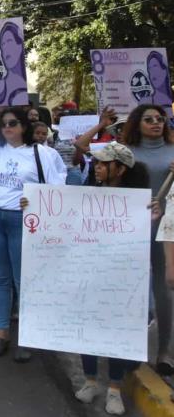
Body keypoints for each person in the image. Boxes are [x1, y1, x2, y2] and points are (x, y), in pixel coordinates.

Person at [0, 103, 65, 360]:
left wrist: (36, 200)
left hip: (24, 221)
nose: (7, 128)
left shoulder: (43, 154)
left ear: (24, 126)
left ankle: (26, 339)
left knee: (23, 281)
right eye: (3, 124)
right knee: (0, 278)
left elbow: (57, 187)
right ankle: (2, 334)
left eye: (13, 123)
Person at [76, 104, 174, 374]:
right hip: (128, 229)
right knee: (132, 291)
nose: (156, 123)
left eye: (160, 119)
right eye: (149, 119)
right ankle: (133, 348)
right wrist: (101, 124)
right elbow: (83, 146)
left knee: (164, 291)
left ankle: (165, 351)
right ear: (136, 123)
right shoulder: (124, 150)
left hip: (164, 228)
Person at [66, 143, 152, 416]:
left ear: (121, 168)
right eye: (97, 163)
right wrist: (29, 205)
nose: (98, 167)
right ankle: (91, 381)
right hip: (89, 274)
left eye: (104, 163)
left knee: (116, 330)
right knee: (88, 328)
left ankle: (114, 389)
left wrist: (153, 215)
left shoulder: (140, 202)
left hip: (123, 278)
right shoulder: (88, 196)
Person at [0, 22, 27, 106]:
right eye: (2, 44)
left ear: (20, 46)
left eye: (9, 41)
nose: (5, 48)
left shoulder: (25, 88)